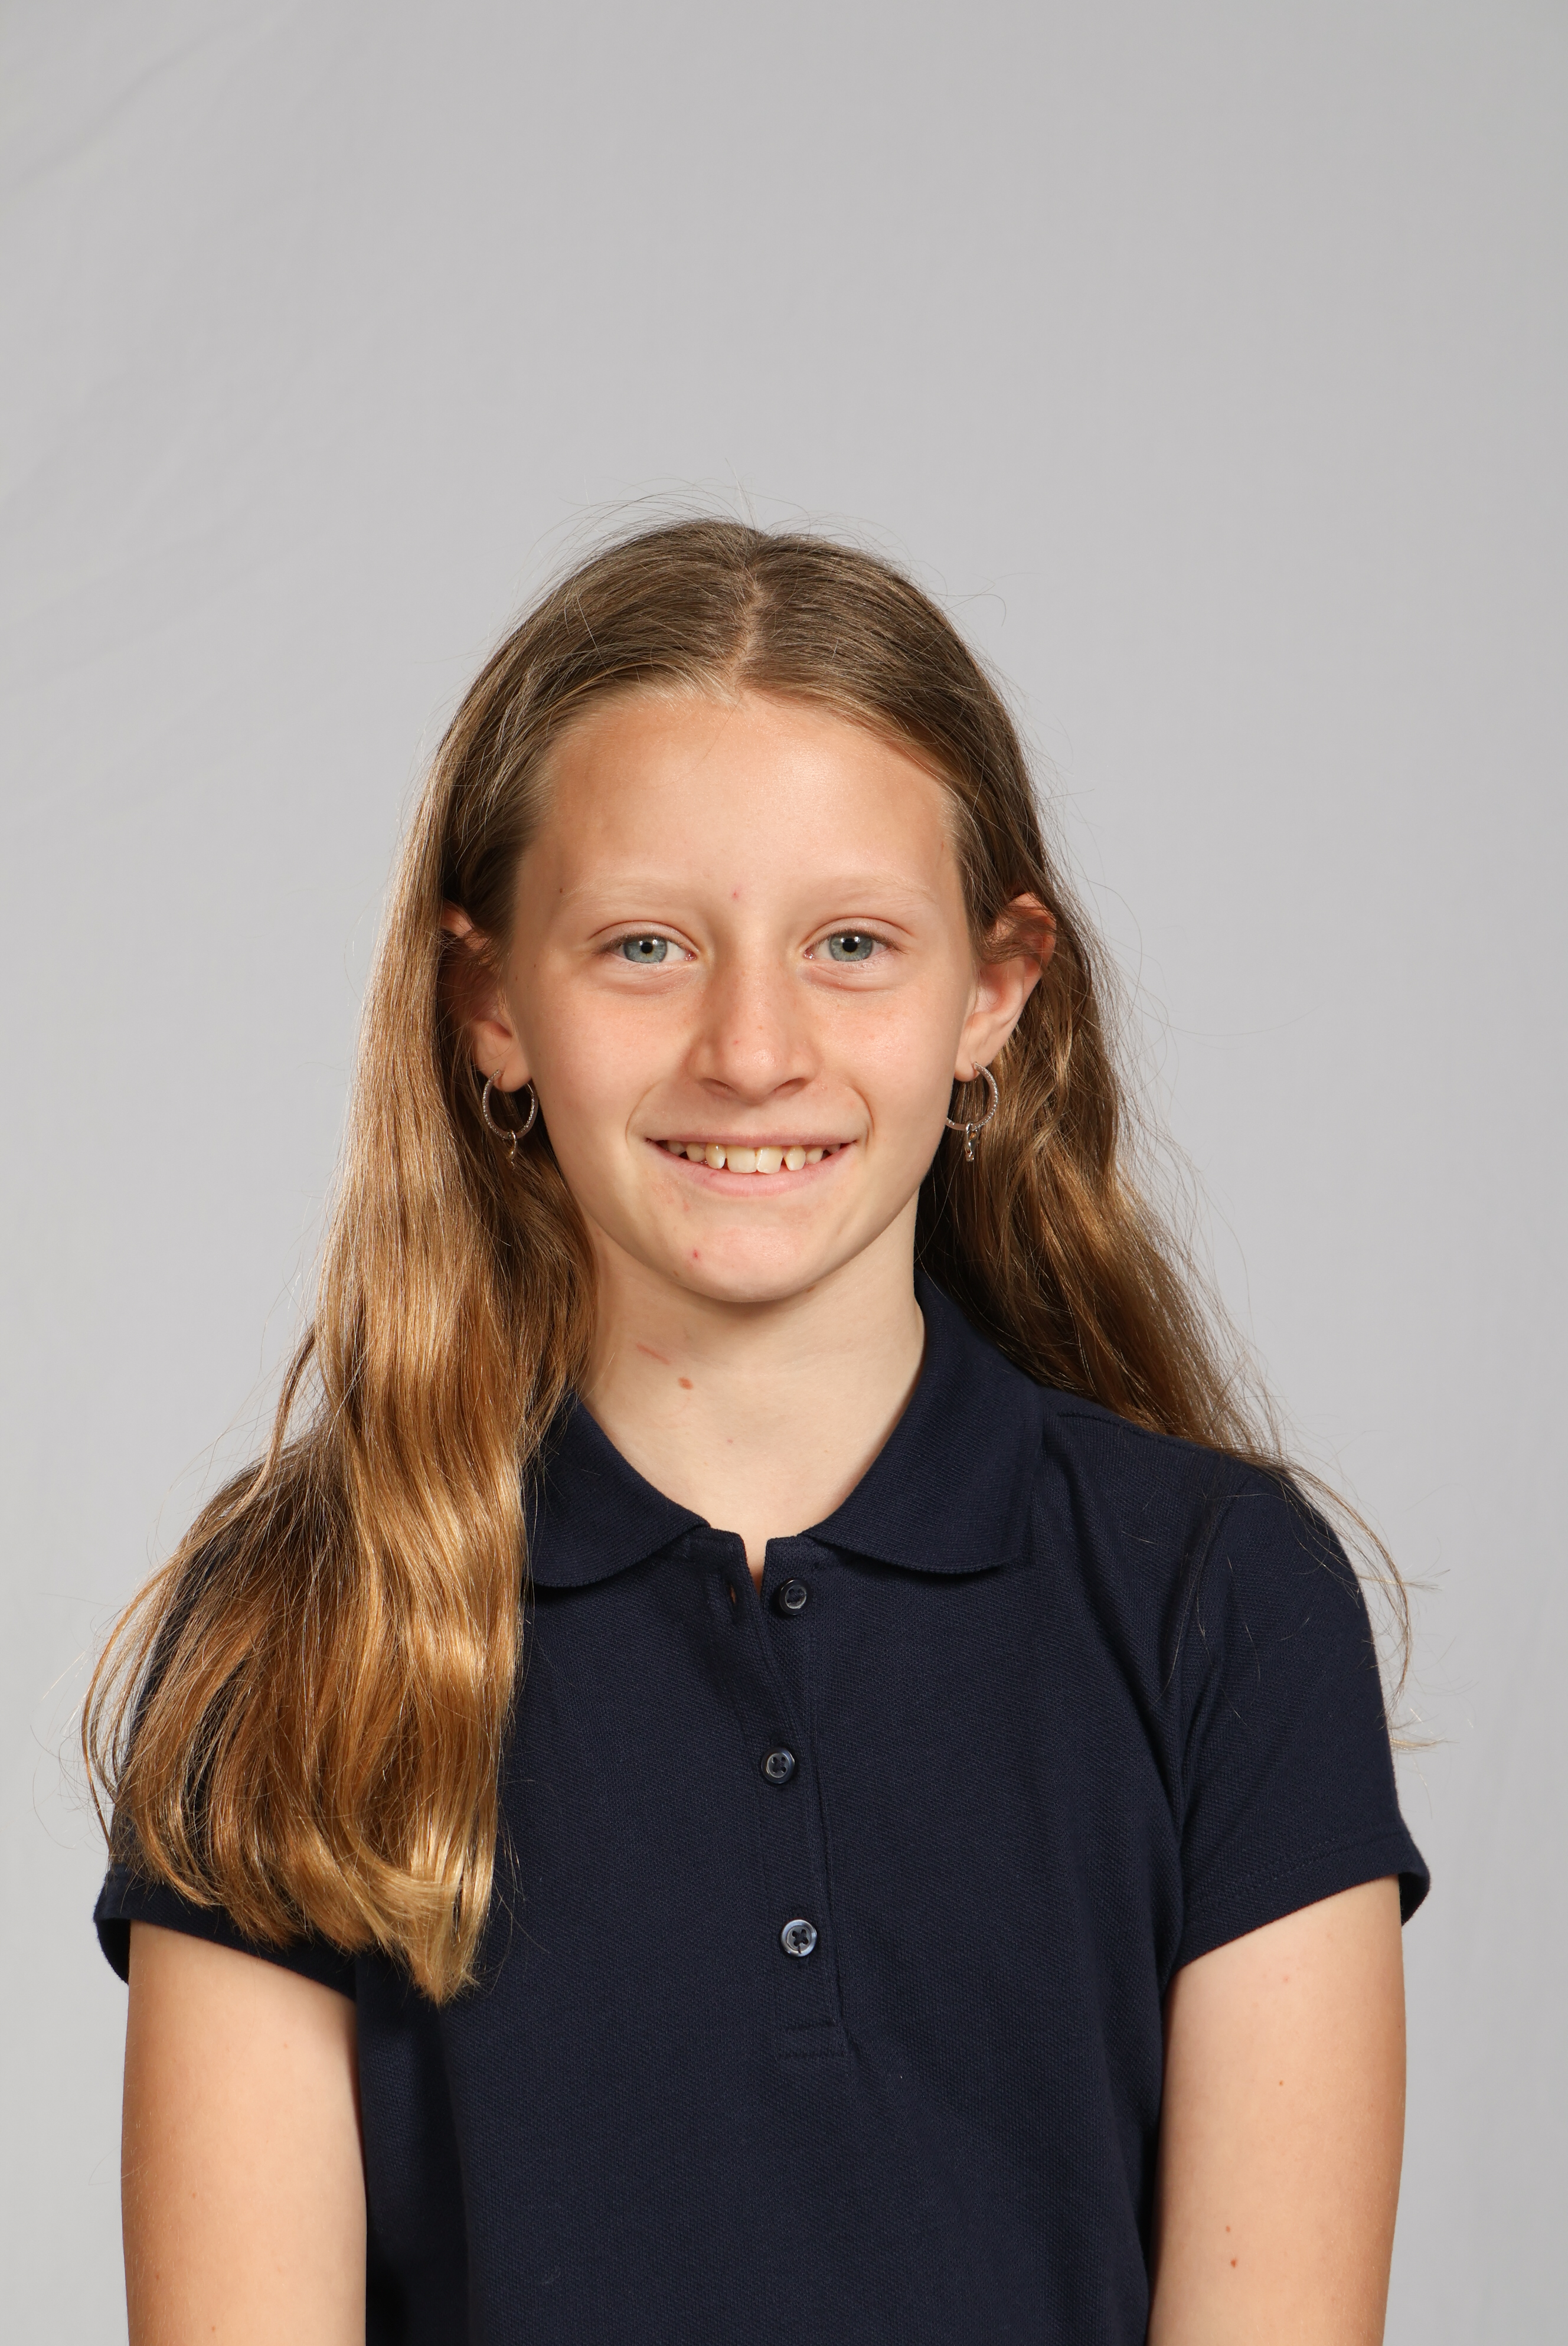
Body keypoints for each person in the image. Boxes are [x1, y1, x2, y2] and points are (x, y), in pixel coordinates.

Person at [88, 518, 1426, 2346]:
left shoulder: (1224, 1601)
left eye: (851, 944)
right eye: (645, 945)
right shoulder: (301, 1618)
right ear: (491, 1004)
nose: (750, 1048)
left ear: (993, 994)